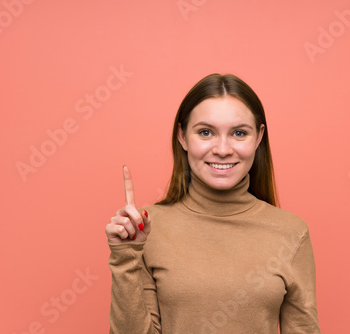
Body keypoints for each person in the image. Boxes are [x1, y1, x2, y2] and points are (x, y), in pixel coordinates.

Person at [105, 73, 321, 333]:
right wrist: (125, 256)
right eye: (205, 132)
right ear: (183, 137)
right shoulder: (146, 229)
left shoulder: (291, 232)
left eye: (239, 133)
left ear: (259, 137)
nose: (222, 149)